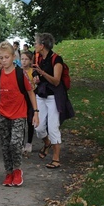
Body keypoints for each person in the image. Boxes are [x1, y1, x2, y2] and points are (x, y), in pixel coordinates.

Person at [0, 42, 39, 187]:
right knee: (5, 145)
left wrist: (36, 112)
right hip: (3, 114)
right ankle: (9, 172)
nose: (4, 60)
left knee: (15, 143)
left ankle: (17, 170)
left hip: (19, 113)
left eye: (6, 57)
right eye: (1, 57)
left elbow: (30, 91)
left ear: (13, 57)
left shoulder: (20, 73)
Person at [33, 33, 74, 168]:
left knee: (53, 127)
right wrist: (36, 77)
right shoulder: (38, 57)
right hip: (41, 95)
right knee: (38, 127)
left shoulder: (57, 59)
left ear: (42, 45)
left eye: (36, 43)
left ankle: (56, 158)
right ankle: (47, 143)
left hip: (54, 97)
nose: (34, 45)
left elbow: (56, 81)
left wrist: (42, 73)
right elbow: (35, 72)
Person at [20, 50, 37, 154]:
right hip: (21, 99)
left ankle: (29, 142)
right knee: (20, 121)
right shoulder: (18, 71)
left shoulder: (33, 71)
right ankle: (21, 143)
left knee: (30, 121)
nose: (24, 61)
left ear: (31, 61)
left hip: (31, 98)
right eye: (22, 59)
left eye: (26, 59)